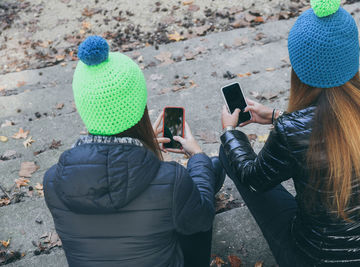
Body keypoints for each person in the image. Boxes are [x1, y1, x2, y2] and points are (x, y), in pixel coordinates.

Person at [219, 0, 360, 266]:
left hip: (317, 258)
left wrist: (230, 132)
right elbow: (338, 127)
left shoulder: (291, 131)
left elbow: (253, 178)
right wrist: (275, 116)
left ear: (298, 69)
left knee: (231, 154)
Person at [43, 36, 224, 267]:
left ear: (82, 108)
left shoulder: (52, 181)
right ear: (141, 105)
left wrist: (148, 155)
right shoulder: (172, 180)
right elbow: (201, 219)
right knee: (208, 174)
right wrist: (197, 156)